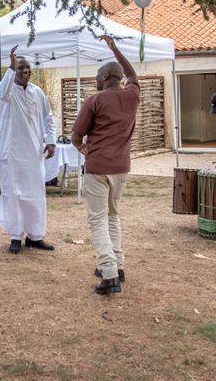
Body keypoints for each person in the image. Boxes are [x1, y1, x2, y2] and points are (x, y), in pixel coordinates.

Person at [71, 35, 139, 295]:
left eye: (97, 77)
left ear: (103, 77)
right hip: (121, 167)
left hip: (98, 167)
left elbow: (77, 136)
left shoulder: (94, 101)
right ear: (119, 77)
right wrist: (115, 49)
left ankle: (109, 273)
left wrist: (84, 149)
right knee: (113, 215)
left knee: (98, 220)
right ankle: (118, 265)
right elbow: (132, 73)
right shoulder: (132, 95)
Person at [0, 45, 57, 254]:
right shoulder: (6, 91)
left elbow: (48, 118)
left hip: (33, 152)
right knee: (13, 194)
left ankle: (35, 236)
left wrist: (51, 141)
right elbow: (2, 92)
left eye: (27, 68)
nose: (25, 71)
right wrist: (10, 68)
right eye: (20, 68)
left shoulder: (38, 92)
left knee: (35, 193)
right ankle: (15, 236)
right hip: (11, 153)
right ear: (13, 70)